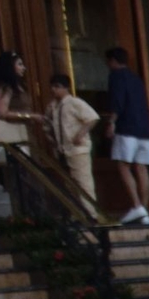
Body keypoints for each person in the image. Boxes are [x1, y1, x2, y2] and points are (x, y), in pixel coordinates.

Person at [105, 46, 149, 225]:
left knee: (124, 165)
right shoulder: (137, 79)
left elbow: (118, 101)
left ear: (112, 61)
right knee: (142, 168)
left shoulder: (116, 76)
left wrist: (112, 122)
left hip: (126, 127)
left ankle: (136, 206)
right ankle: (145, 210)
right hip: (145, 129)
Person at [43, 73, 100, 219]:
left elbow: (92, 118)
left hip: (77, 149)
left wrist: (80, 134)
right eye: (53, 87)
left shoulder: (75, 103)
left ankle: (90, 214)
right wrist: (52, 140)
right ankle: (76, 213)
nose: (54, 90)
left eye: (57, 87)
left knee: (83, 182)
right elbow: (48, 125)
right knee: (70, 183)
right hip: (63, 150)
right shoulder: (53, 106)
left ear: (66, 88)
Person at [0, 50, 38, 178]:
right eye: (20, 64)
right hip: (14, 134)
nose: (24, 68)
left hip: (26, 133)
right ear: (10, 67)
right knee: (23, 172)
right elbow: (1, 112)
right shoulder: (6, 87)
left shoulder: (20, 86)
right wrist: (29, 116)